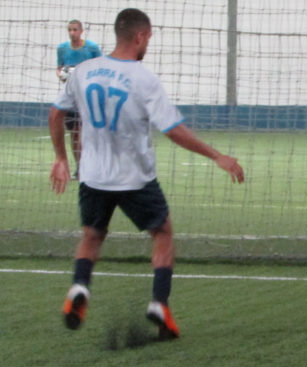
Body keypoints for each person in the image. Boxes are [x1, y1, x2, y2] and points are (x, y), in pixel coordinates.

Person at [49, 8, 245, 340]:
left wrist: (60, 158)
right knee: (163, 234)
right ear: (140, 36)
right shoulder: (144, 79)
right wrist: (217, 156)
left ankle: (79, 286)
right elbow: (174, 130)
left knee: (92, 236)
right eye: (149, 38)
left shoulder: (84, 71)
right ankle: (159, 303)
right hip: (135, 179)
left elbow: (56, 114)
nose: (148, 44)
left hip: (93, 177)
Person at [56, 19, 102, 180]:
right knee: (75, 133)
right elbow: (59, 67)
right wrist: (62, 75)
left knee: (90, 133)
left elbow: (100, 69)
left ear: (81, 31)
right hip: (71, 98)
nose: (72, 33)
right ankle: (80, 168)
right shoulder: (62, 48)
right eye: (69, 30)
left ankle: (95, 166)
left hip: (89, 98)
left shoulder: (92, 48)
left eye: (75, 30)